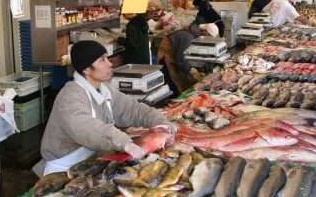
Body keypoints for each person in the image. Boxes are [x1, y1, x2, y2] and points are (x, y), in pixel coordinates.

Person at [35, 40, 172, 176]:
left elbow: (133, 109)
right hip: (63, 170)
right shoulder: (70, 95)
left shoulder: (105, 88)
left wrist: (161, 122)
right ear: (86, 69)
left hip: (90, 163)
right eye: (102, 60)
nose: (110, 64)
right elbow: (85, 127)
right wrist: (123, 142)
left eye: (107, 58)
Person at [157, 23, 209, 95]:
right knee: (173, 86)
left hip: (176, 58)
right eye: (208, 36)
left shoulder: (194, 36)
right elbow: (181, 60)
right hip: (167, 60)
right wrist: (192, 71)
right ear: (204, 32)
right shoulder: (187, 37)